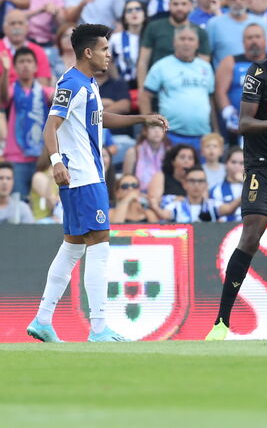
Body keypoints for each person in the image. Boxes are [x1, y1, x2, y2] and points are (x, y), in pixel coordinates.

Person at [27, 23, 168, 343]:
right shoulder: (73, 83)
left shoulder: (88, 84)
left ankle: (43, 320)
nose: (109, 55)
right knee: (100, 243)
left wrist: (142, 118)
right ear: (88, 52)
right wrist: (57, 162)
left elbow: (102, 120)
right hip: (83, 177)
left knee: (73, 248)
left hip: (85, 176)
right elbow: (51, 127)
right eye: (104, 49)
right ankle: (99, 327)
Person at [139, 24, 216, 149]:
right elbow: (145, 97)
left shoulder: (206, 68)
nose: (186, 43)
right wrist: (150, 127)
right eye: (182, 39)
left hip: (203, 135)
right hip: (171, 134)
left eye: (191, 39)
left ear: (197, 44)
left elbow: (210, 100)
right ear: (174, 42)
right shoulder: (161, 66)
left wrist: (215, 130)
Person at [0, 47, 52, 199]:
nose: (25, 65)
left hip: (41, 159)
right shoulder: (11, 89)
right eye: (21, 62)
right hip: (16, 159)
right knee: (18, 201)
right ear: (15, 67)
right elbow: (3, 97)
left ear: (36, 67)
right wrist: (5, 71)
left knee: (41, 203)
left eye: (29, 61)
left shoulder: (44, 91)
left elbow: (55, 97)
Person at [137, 0, 211, 89]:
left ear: (190, 5)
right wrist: (142, 89)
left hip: (189, 87)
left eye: (183, 4)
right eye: (175, 4)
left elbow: (204, 67)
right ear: (169, 5)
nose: (179, 8)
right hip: (158, 86)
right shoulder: (153, 27)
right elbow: (143, 62)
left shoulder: (200, 32)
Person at [214, 23, 267, 138]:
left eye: (257, 37)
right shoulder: (230, 61)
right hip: (236, 126)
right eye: (249, 38)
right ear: (243, 42)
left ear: (265, 40)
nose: (254, 41)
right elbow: (220, 92)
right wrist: (228, 113)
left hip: (266, 125)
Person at [209, 147, 245, 223]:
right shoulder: (217, 189)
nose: (237, 166)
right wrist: (248, 188)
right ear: (226, 164)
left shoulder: (254, 186)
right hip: (225, 231)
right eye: (233, 162)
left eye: (241, 163)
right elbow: (222, 211)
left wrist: (245, 183)